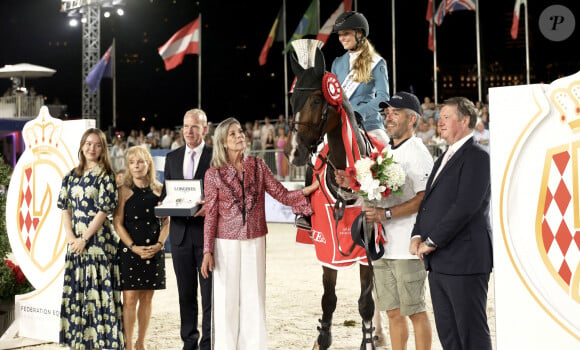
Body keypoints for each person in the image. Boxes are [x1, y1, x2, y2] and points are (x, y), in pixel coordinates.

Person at [200, 117, 317, 350]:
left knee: (254, 296)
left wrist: (308, 190)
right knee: (225, 299)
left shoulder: (258, 165)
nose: (239, 136)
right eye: (232, 134)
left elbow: (281, 194)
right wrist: (207, 250)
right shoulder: (213, 174)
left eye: (240, 131)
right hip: (225, 242)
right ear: (223, 142)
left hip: (255, 239)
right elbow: (211, 214)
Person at [410, 97, 493, 350]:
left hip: (465, 260)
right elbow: (429, 203)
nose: (439, 121)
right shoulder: (445, 156)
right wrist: (417, 234)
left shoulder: (478, 156)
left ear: (465, 120)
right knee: (449, 335)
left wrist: (432, 241)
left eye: (446, 117)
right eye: (440, 117)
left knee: (471, 334)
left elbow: (465, 206)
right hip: (440, 263)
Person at [363, 92, 434, 350]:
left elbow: (424, 198)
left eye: (396, 112)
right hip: (384, 245)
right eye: (387, 112)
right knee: (392, 312)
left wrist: (386, 214)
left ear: (412, 118)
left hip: (407, 245)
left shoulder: (417, 152)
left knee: (415, 311)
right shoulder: (387, 152)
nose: (388, 117)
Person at [57, 128, 124, 349]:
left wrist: (84, 238)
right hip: (76, 245)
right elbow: (65, 209)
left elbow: (103, 211)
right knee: (80, 292)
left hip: (99, 244)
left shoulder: (106, 176)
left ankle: (103, 341)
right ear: (82, 146)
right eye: (88, 143)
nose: (92, 148)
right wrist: (71, 238)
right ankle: (80, 340)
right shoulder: (70, 176)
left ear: (103, 148)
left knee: (99, 293)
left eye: (97, 145)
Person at [162, 108, 212, 350]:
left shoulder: (216, 157)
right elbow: (166, 194)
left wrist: (210, 205)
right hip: (180, 237)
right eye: (185, 126)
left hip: (207, 238)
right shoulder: (172, 158)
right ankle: (189, 343)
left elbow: (224, 195)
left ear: (205, 128)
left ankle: (208, 344)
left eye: (194, 126)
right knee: (186, 295)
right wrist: (162, 204)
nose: (189, 131)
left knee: (209, 296)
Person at [114, 145, 169, 350]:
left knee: (147, 298)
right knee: (129, 299)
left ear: (148, 163)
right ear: (128, 166)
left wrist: (160, 244)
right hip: (131, 251)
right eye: (132, 162)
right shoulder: (123, 191)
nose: (136, 166)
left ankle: (140, 344)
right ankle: (128, 345)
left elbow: (167, 222)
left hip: (154, 251)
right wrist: (132, 247)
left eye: (140, 161)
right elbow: (117, 223)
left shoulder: (159, 189)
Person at [331, 11, 390, 148]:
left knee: (390, 160)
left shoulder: (376, 62)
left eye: (346, 33)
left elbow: (383, 97)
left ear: (359, 33)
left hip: (368, 125)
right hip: (341, 124)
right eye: (340, 35)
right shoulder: (337, 63)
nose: (341, 38)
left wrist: (360, 113)